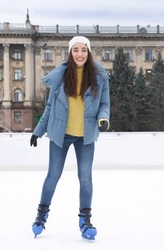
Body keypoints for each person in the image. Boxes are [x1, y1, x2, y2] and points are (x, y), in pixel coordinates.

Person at [30, 36, 110, 241]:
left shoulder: (100, 76)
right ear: (70, 52)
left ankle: (85, 220)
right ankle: (41, 214)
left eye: (84, 49)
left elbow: (104, 105)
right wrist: (38, 131)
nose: (80, 54)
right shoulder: (60, 76)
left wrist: (103, 119)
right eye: (76, 50)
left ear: (89, 52)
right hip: (60, 134)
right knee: (52, 176)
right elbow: (50, 108)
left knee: (85, 179)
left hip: (86, 136)